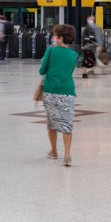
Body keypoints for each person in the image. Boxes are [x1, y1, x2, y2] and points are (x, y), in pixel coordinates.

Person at [39, 24, 78, 167]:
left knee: (52, 122)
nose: (54, 38)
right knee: (67, 124)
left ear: (60, 38)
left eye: (55, 36)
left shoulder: (51, 51)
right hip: (68, 91)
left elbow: (42, 71)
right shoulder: (74, 55)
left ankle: (54, 151)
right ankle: (67, 154)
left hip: (50, 91)